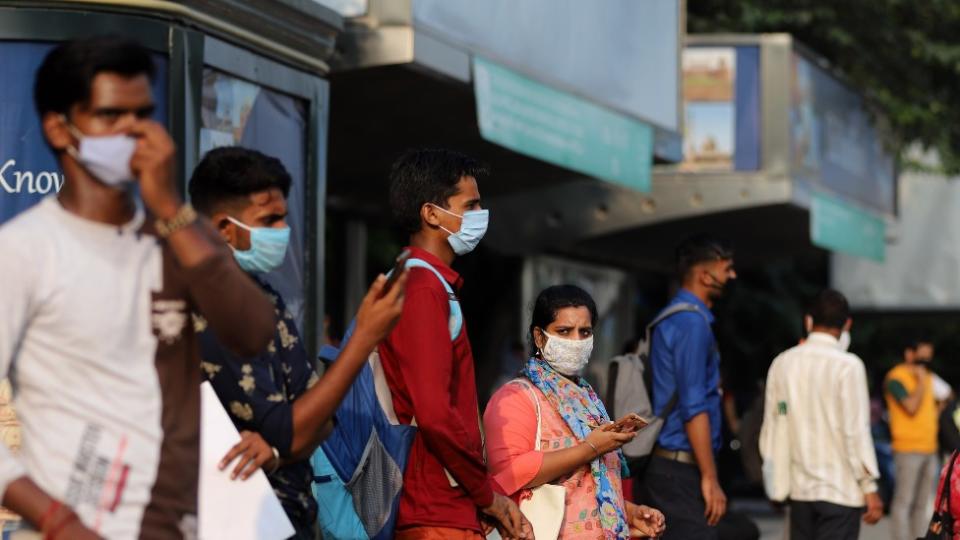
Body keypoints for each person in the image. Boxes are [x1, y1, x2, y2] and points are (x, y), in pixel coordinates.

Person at [0, 36, 277, 538]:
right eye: (111, 116)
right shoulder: (24, 250)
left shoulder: (173, 239)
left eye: (142, 114)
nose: (132, 131)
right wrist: (56, 519)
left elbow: (254, 331)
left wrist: (170, 207)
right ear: (59, 128)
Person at [187, 146, 408, 538]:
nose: (281, 234)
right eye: (268, 221)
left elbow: (318, 421)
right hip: (232, 521)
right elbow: (292, 427)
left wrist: (276, 448)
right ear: (224, 228)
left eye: (283, 220)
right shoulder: (202, 303)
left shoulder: (264, 297)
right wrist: (364, 339)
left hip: (287, 517)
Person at [378, 148, 529, 539]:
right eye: (471, 204)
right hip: (435, 509)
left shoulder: (429, 284)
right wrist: (486, 495)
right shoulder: (423, 288)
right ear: (431, 214)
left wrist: (486, 494)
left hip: (448, 504)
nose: (481, 214)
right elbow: (434, 412)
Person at [484, 285, 666, 539]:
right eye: (564, 331)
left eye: (585, 332)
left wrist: (630, 513)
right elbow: (509, 472)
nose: (576, 341)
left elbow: (587, 487)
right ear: (539, 336)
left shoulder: (588, 400)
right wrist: (590, 448)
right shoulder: (517, 397)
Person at [759, 289, 883, 539]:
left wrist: (774, 484)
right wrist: (869, 487)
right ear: (847, 324)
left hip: (799, 492)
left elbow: (774, 426)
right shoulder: (848, 366)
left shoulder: (782, 363)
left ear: (808, 320)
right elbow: (854, 432)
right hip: (841, 490)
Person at [641, 234, 736, 540]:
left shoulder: (675, 317)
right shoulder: (691, 325)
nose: (732, 275)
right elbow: (694, 406)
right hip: (679, 467)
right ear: (704, 275)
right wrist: (709, 477)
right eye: (727, 269)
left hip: (670, 465)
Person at [885, 338, 941, 540]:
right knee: (904, 502)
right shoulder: (895, 378)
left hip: (929, 448)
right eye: (922, 358)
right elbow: (911, 406)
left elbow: (946, 396)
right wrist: (919, 381)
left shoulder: (928, 377)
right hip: (907, 449)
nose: (925, 363)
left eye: (928, 359)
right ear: (910, 354)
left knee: (922, 504)